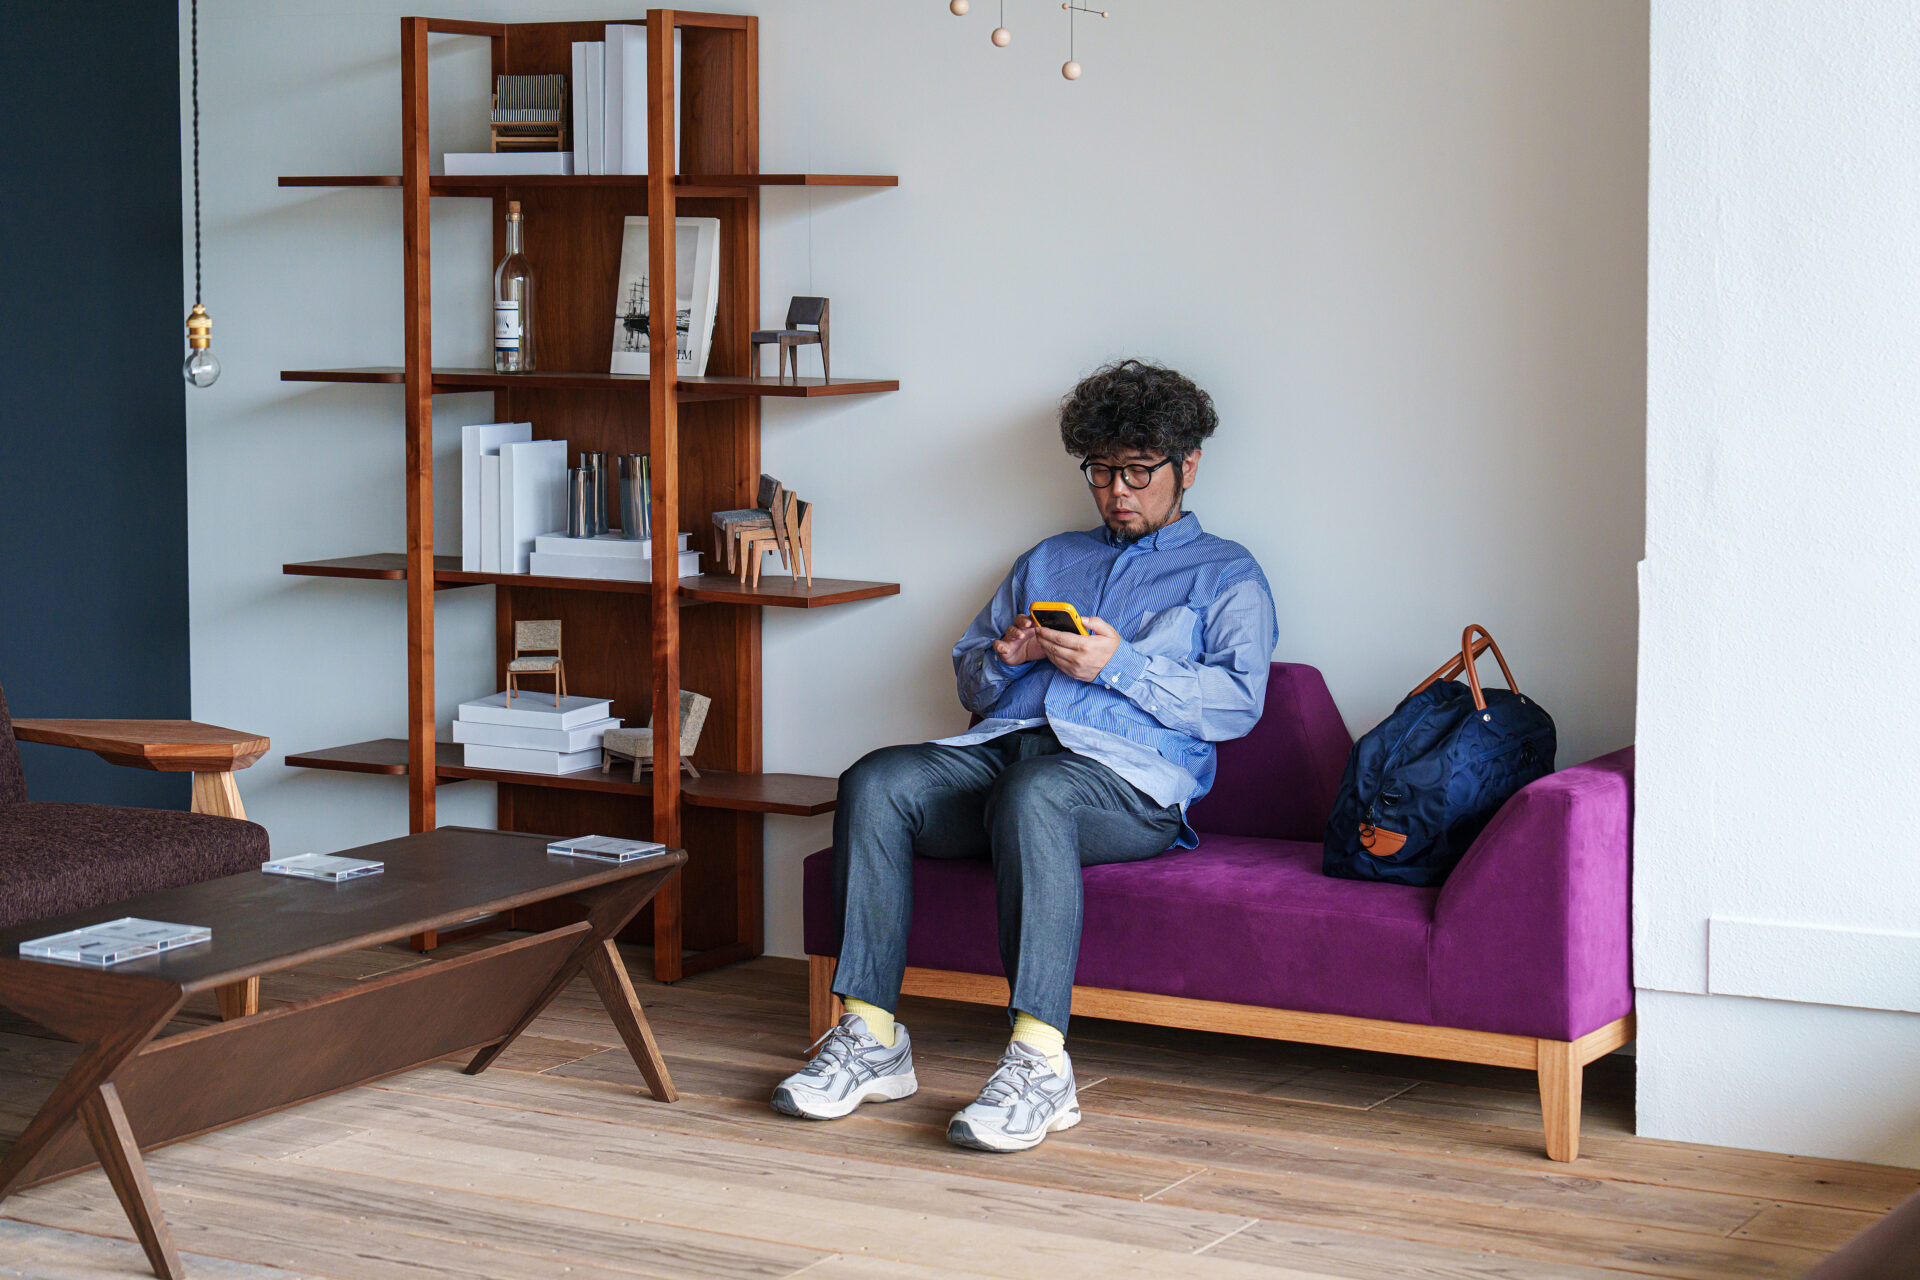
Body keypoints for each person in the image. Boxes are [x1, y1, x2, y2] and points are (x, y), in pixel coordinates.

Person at [771, 359, 1278, 1152]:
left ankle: (1040, 1064)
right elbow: (969, 677)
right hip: (1003, 753)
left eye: (1139, 472)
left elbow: (1239, 705)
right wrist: (1005, 659)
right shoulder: (1047, 560)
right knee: (875, 780)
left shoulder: (1227, 574)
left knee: (1037, 792)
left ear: (1189, 466)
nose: (1118, 492)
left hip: (1126, 786)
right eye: (1102, 471)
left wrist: (1118, 665)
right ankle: (872, 1039)